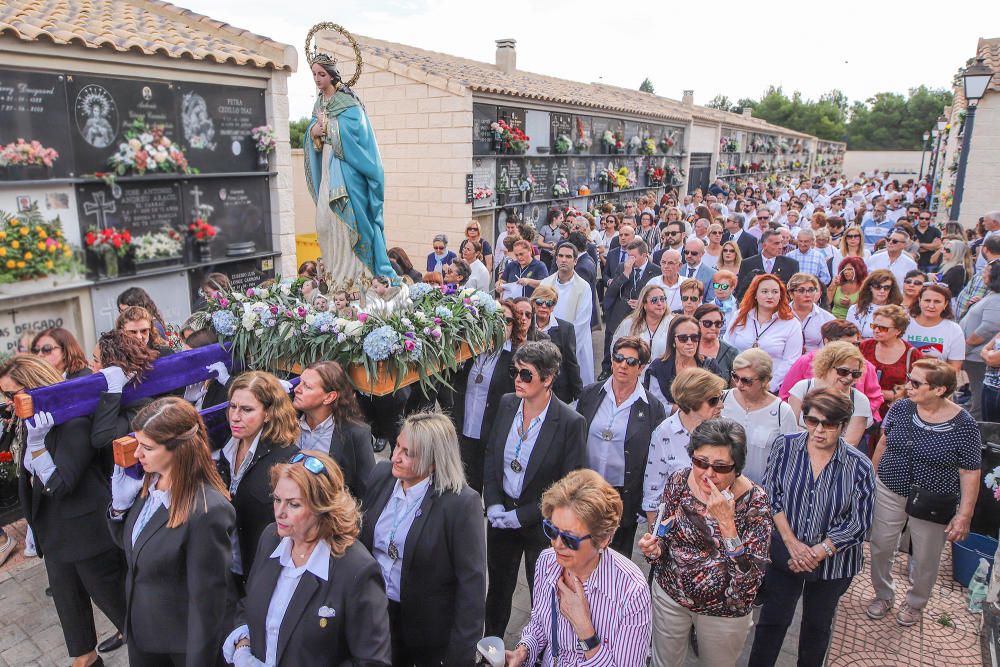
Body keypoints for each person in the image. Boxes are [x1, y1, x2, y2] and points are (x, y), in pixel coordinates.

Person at [2, 355, 126, 667]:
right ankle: (86, 659)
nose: (6, 403)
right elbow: (30, 481)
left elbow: (61, 483)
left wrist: (40, 446)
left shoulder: (74, 420)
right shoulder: (30, 421)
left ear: (35, 389)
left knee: (124, 612)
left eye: (9, 394)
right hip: (54, 536)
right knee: (72, 617)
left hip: (88, 537)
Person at [224, 450, 391, 666]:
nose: (280, 512)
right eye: (277, 499)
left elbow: (372, 662)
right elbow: (249, 605)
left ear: (323, 507)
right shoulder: (270, 539)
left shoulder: (357, 570)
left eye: (294, 504)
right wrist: (243, 646)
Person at [750, 389, 875, 667]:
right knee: (772, 622)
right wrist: (792, 544)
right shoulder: (786, 446)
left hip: (834, 563)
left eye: (828, 424)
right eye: (811, 421)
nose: (818, 430)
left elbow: (859, 522)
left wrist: (818, 552)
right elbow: (772, 495)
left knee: (817, 628)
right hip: (785, 553)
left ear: (843, 426)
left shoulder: (859, 466)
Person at [109, 397, 235, 665]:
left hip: (178, 646)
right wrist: (119, 511)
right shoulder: (151, 481)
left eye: (147, 448)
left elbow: (207, 604)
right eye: (137, 444)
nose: (138, 455)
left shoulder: (207, 512)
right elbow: (135, 548)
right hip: (144, 632)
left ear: (178, 450)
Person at [638, 418, 772, 666]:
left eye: (720, 467)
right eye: (701, 462)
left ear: (737, 467)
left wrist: (727, 525)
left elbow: (749, 582)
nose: (708, 473)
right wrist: (654, 549)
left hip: (724, 614)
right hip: (671, 597)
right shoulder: (679, 481)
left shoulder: (755, 502)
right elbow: (664, 537)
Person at [361, 414, 485, 666]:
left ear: (434, 463)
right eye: (397, 445)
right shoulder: (382, 475)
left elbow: (471, 586)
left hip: (422, 632)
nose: (395, 456)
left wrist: (460, 656)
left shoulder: (460, 503)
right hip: (371, 612)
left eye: (408, 453)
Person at [482, 341, 587, 637]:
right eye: (515, 372)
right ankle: (492, 646)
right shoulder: (506, 404)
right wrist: (492, 502)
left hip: (541, 526)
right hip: (501, 517)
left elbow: (569, 485)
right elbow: (491, 454)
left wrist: (525, 515)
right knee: (499, 589)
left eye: (526, 375)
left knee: (544, 593)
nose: (518, 379)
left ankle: (542, 649)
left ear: (548, 378)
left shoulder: (570, 422)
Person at [867, 360, 982, 627]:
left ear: (940, 390)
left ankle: (915, 602)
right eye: (910, 379)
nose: (908, 386)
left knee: (926, 557)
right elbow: (884, 442)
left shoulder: (964, 425)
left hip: (933, 498)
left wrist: (964, 515)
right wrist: (870, 480)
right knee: (881, 545)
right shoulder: (901, 407)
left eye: (916, 383)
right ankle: (884, 595)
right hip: (890, 487)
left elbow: (970, 472)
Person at [505, 470, 652, 667]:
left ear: (603, 539)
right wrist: (523, 651)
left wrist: (585, 630)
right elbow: (539, 625)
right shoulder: (547, 562)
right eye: (551, 530)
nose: (557, 544)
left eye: (569, 538)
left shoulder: (631, 592)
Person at [305, 52, 395, 287]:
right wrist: (313, 133)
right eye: (314, 74)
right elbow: (312, 132)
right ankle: (335, 276)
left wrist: (329, 128)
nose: (317, 78)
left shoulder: (349, 103)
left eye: (321, 74)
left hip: (346, 170)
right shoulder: (319, 103)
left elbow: (359, 135)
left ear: (332, 75)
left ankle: (355, 279)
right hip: (327, 167)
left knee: (345, 224)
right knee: (324, 223)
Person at [576, 337, 666, 555]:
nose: (623, 365)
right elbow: (575, 440)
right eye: (618, 358)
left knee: (614, 556)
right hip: (587, 488)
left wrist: (644, 502)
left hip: (621, 494)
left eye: (631, 362)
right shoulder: (590, 394)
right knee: (580, 549)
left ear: (641, 368)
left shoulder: (652, 407)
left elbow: (653, 458)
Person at [216, 371, 300, 584]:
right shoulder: (229, 444)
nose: (235, 416)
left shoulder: (286, 459)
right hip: (226, 565)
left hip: (258, 572)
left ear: (269, 413)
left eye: (246, 410)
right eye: (232, 407)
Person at [642, 368, 727, 521]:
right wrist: (655, 536)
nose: (721, 405)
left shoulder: (727, 431)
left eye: (722, 397)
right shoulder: (664, 433)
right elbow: (653, 494)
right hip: (676, 530)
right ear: (692, 401)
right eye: (713, 400)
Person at [449, 301, 517, 493]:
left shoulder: (515, 358)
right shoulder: (469, 350)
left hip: (491, 435)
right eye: (497, 319)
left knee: (488, 491)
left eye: (508, 320)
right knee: (463, 489)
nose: (502, 324)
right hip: (464, 430)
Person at [291, 361, 374, 500]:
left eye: (307, 386)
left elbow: (367, 490)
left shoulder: (355, 434)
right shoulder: (287, 420)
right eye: (300, 382)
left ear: (329, 397)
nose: (297, 389)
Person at [721, 349, 799, 484]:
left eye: (747, 380)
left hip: (762, 492)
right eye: (735, 376)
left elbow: (790, 458)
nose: (739, 384)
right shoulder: (721, 399)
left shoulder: (782, 412)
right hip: (722, 486)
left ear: (765, 380)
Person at [724, 274, 802, 391]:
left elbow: (791, 361)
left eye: (775, 292)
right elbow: (727, 347)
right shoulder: (740, 316)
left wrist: (768, 385)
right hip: (737, 383)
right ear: (755, 294)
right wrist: (735, 380)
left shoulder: (791, 323)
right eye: (764, 291)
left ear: (781, 295)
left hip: (770, 387)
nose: (770, 296)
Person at [787, 341, 873, 448]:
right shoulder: (803, 388)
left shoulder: (859, 400)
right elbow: (789, 428)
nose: (849, 377)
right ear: (827, 366)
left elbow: (851, 443)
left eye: (855, 374)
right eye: (843, 371)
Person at [538, 242, 596, 385]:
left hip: (574, 347)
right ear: (556, 259)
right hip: (546, 345)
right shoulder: (545, 284)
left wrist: (565, 351)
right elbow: (539, 316)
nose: (564, 260)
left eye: (568, 257)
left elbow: (582, 323)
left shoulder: (583, 287)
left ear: (575, 261)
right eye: (561, 256)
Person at [601, 238, 660, 378]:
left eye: (633, 256)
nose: (630, 259)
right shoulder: (623, 267)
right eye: (628, 255)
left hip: (641, 314)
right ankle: (607, 368)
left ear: (645, 255)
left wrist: (642, 303)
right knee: (612, 338)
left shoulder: (655, 270)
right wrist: (625, 275)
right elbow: (611, 291)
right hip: (621, 311)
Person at [646, 315, 723, 410]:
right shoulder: (658, 367)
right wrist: (689, 412)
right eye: (683, 338)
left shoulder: (710, 365)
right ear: (673, 341)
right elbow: (657, 405)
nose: (689, 342)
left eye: (694, 337)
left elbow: (718, 400)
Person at [861, 305, 924, 420]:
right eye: (874, 326)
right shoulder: (864, 347)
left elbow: (921, 386)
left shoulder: (912, 355)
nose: (876, 330)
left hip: (895, 414)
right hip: (864, 411)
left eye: (883, 328)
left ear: (898, 330)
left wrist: (897, 394)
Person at [527, 286, 583, 405]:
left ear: (553, 307)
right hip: (529, 388)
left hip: (557, 392)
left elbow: (571, 363)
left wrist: (579, 395)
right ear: (533, 304)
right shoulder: (526, 325)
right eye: (540, 302)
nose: (543, 306)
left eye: (549, 303)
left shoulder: (566, 329)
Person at [961, 261, 1000, 420]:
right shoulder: (992, 295)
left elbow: (988, 328)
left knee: (978, 402)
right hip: (977, 355)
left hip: (978, 357)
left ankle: (978, 436)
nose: (983, 274)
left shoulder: (998, 298)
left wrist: (966, 346)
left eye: (986, 270)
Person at [904, 283, 964, 371]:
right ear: (920, 300)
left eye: (937, 301)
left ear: (945, 304)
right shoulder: (904, 322)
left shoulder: (954, 330)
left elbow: (955, 368)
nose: (931, 306)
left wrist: (936, 365)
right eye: (927, 300)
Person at [613, 283, 672, 365]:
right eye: (654, 300)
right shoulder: (629, 324)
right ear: (644, 304)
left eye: (662, 299)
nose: (659, 303)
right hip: (636, 373)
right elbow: (616, 349)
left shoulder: (673, 323)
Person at [735, 229, 799, 300]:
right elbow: (741, 291)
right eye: (776, 243)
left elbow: (793, 292)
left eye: (781, 242)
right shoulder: (747, 264)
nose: (781, 246)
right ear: (764, 245)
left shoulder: (791, 265)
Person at [846, 269, 902, 338]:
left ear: (891, 289)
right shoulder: (855, 309)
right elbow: (852, 336)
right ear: (870, 287)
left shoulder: (899, 311)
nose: (882, 291)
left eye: (886, 287)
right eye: (877, 287)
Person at [788, 273, 835, 353]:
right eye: (801, 290)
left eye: (811, 290)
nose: (807, 295)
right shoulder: (778, 316)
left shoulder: (828, 319)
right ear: (791, 294)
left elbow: (829, 351)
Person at [695, 303, 739, 379]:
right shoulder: (688, 347)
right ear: (696, 323)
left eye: (718, 323)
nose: (713, 328)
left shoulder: (731, 353)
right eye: (707, 323)